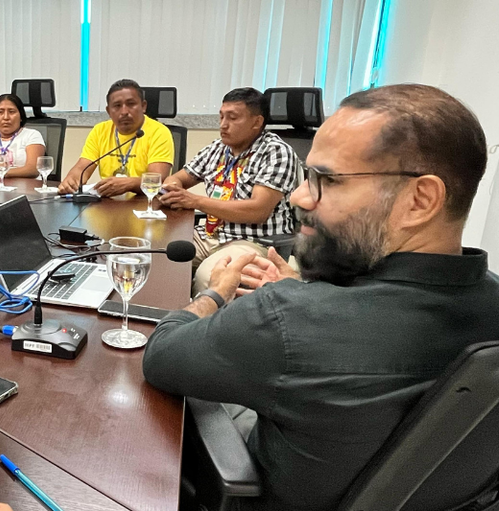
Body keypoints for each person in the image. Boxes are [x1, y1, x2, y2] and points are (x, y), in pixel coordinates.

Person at [142, 84, 499, 511]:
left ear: (419, 200)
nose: (298, 196)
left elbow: (161, 355)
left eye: (327, 180)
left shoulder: (285, 319)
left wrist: (216, 295)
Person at [158, 88, 299, 295]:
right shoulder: (218, 148)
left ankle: (202, 325)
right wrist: (172, 188)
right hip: (212, 234)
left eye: (232, 118)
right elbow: (178, 178)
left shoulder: (277, 152)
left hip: (253, 242)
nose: (223, 125)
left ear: (256, 122)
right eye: (221, 116)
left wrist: (196, 201)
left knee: (209, 277)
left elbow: (257, 211)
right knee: (159, 257)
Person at [57, 79, 174, 197]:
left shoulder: (159, 132)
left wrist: (129, 184)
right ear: (108, 111)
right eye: (117, 106)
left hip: (145, 204)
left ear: (143, 106)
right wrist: (71, 181)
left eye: (131, 104)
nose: (124, 111)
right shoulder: (100, 130)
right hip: (108, 204)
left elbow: (157, 180)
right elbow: (82, 168)